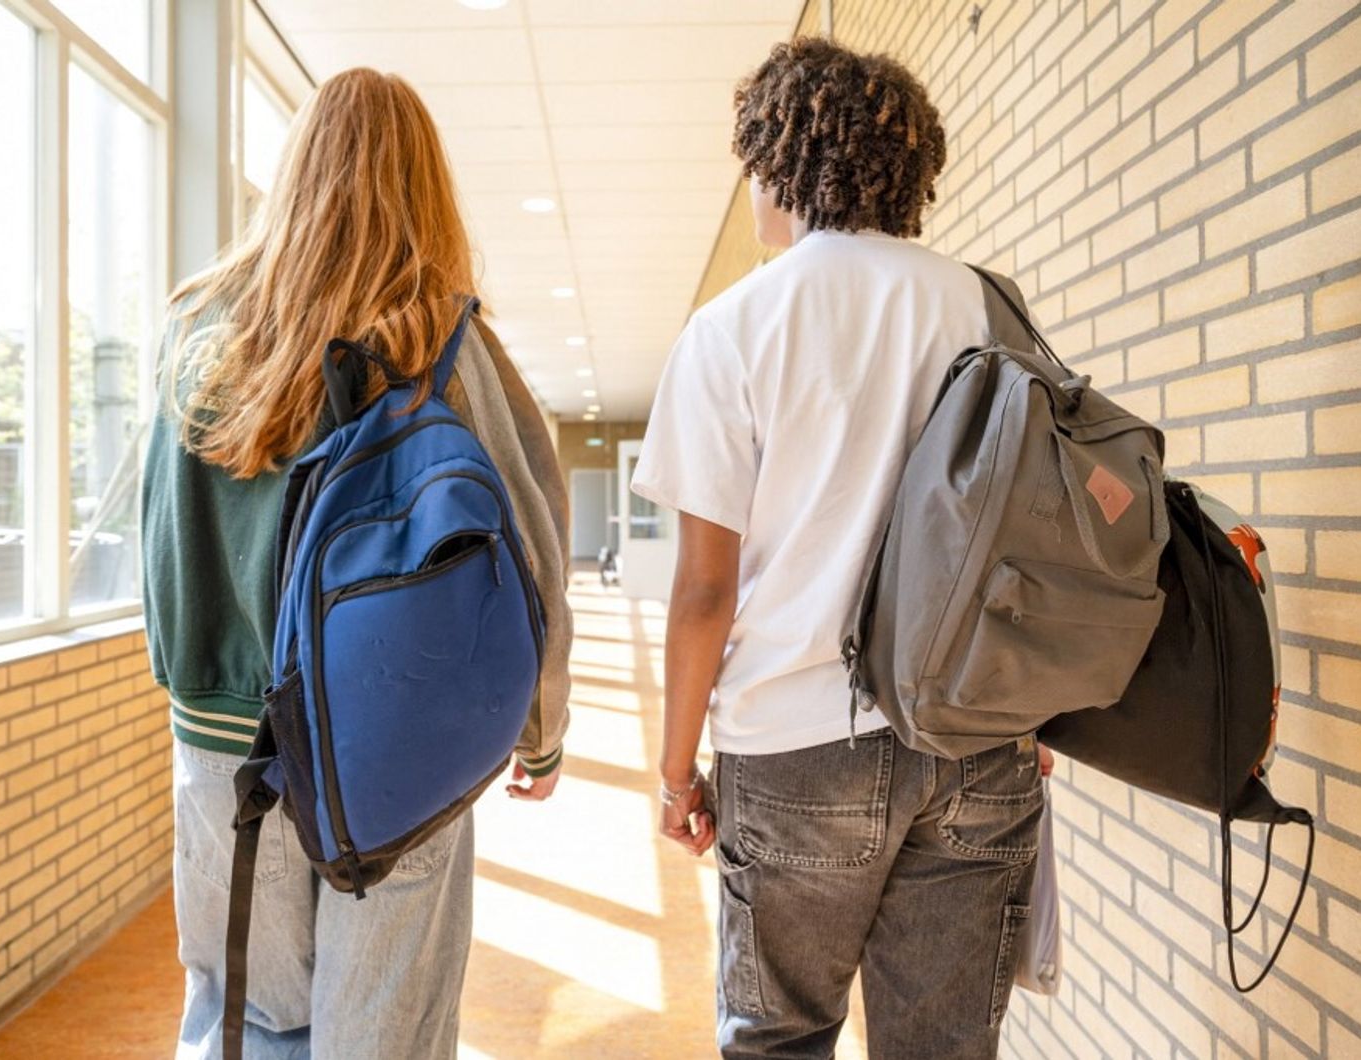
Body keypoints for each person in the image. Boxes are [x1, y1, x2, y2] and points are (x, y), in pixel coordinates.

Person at [631, 39, 1054, 1059]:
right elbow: (1044, 527)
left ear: (780, 162)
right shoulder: (990, 307)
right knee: (945, 1047)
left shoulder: (734, 328)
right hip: (976, 729)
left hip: (794, 741)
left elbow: (703, 591)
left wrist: (678, 768)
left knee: (779, 1038)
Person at [140, 67, 572, 1059]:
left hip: (219, 744)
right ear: (427, 185)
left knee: (240, 1010)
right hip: (397, 735)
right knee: (383, 1033)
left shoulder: (196, 333)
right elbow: (532, 549)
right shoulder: (445, 345)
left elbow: (160, 542)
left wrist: (200, 687)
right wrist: (540, 732)